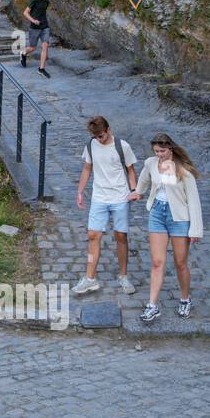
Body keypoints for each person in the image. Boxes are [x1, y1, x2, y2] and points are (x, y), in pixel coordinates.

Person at [130, 133, 203, 322]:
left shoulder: (183, 171)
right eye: (156, 151)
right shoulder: (150, 163)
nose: (159, 154)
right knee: (157, 262)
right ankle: (152, 306)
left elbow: (193, 202)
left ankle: (185, 299)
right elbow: (145, 180)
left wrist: (195, 229)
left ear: (170, 148)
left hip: (179, 218)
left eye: (162, 151)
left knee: (180, 263)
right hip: (157, 214)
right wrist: (138, 192)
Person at [71, 116, 139, 297]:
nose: (98, 140)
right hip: (99, 197)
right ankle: (89, 278)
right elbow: (87, 168)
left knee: (121, 236)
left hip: (119, 197)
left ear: (108, 130)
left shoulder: (122, 146)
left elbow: (131, 170)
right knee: (93, 235)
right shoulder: (91, 145)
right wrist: (80, 191)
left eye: (101, 136)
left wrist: (134, 190)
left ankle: (123, 276)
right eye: (95, 137)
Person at [20, 0, 52, 78]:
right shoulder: (34, 0)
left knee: (45, 46)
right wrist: (33, 20)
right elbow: (25, 13)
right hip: (34, 28)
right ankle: (23, 53)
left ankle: (41, 69)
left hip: (45, 26)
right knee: (33, 48)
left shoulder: (47, 1)